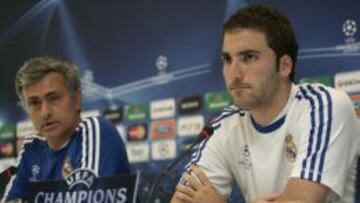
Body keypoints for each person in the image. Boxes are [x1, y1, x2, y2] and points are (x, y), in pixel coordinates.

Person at [171, 4, 360, 203]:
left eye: (249, 57)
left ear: (284, 66)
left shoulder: (325, 106)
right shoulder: (224, 124)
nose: (234, 74)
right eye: (227, 59)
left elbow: (299, 201)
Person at [2, 56, 130, 202]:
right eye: (34, 103)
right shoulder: (31, 148)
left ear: (77, 99)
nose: (45, 112)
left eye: (54, 98)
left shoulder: (96, 130)